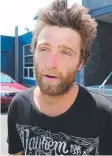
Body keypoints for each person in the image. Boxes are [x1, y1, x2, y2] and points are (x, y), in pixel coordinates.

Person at [7, 0, 112, 155]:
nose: (51, 64)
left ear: (80, 62)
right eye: (44, 49)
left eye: (65, 53)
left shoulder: (105, 114)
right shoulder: (18, 106)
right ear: (33, 51)